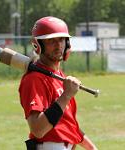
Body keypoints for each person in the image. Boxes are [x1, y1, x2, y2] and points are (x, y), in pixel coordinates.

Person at [19, 16, 98, 150]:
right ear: (38, 45)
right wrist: (66, 96)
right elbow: (38, 129)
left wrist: (91, 148)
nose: (58, 45)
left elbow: (67, 125)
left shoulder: (61, 77)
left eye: (61, 39)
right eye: (51, 40)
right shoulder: (34, 79)